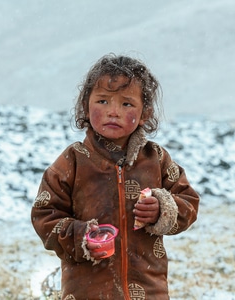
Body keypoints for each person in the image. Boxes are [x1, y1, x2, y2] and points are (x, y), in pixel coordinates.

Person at [31, 53, 199, 299]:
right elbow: (44, 215)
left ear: (145, 114)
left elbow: (189, 202)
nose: (113, 112)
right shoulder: (72, 161)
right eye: (102, 101)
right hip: (87, 290)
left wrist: (163, 209)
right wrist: (81, 237)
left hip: (148, 289)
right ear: (85, 107)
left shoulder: (156, 159)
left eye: (126, 104)